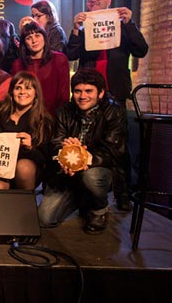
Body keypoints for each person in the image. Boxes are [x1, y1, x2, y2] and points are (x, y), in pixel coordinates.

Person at [38, 68, 127, 234]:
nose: (82, 96)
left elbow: (114, 151)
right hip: (67, 174)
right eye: (78, 91)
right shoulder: (64, 111)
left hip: (98, 169)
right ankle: (83, 199)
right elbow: (54, 143)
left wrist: (85, 157)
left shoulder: (114, 112)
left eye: (88, 91)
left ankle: (99, 209)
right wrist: (63, 154)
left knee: (91, 177)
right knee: (44, 218)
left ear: (100, 93)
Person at [66, 0, 149, 107]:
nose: (93, 0)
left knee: (115, 124)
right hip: (88, 89)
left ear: (108, 1)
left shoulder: (124, 27)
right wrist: (76, 29)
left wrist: (129, 23)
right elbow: (71, 55)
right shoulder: (83, 30)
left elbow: (141, 51)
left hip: (116, 88)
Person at [0, 72, 53, 190]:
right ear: (11, 91)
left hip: (26, 167)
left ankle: (25, 206)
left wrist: (31, 147)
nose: (22, 92)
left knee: (24, 167)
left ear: (35, 93)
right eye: (18, 88)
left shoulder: (44, 120)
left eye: (28, 88)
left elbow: (45, 155)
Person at [11, 21, 70, 116]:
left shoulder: (59, 59)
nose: (34, 41)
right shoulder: (18, 64)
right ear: (24, 43)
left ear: (44, 37)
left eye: (37, 35)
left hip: (54, 115)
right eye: (29, 38)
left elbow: (64, 95)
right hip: (26, 116)